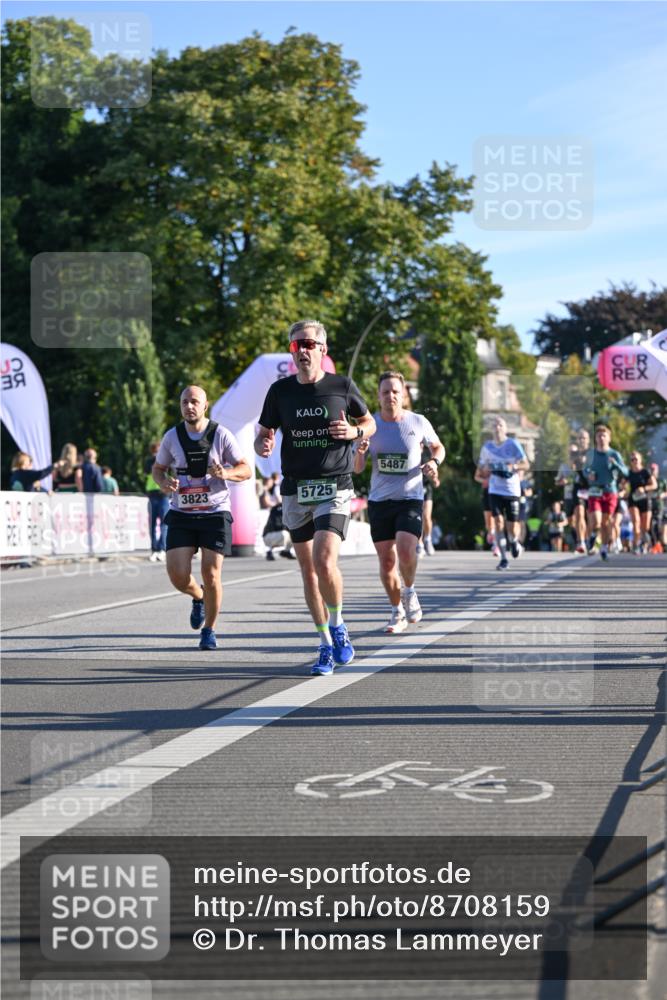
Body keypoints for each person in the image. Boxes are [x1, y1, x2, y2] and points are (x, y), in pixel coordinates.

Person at [254, 319, 376, 675]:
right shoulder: (280, 392)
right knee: (308, 572)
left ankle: (338, 626)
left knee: (324, 561)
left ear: (323, 350)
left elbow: (369, 423)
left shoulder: (341, 385)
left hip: (335, 485)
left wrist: (354, 430)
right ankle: (323, 642)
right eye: (296, 345)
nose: (302, 350)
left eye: (308, 344)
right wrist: (263, 443)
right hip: (296, 488)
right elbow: (264, 433)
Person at [152, 385, 251, 650]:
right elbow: (158, 469)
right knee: (177, 575)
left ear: (205, 405)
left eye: (194, 401)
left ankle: (209, 629)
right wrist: (164, 482)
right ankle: (198, 597)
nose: (189, 406)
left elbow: (246, 469)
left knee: (211, 574)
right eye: (184, 402)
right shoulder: (172, 437)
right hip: (182, 513)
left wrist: (226, 474)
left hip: (215, 513)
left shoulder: (221, 435)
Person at [353, 370, 444, 633]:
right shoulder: (370, 425)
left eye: (395, 391)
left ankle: (410, 590)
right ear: (378, 396)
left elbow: (438, 447)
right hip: (380, 501)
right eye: (385, 392)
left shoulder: (418, 422)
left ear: (403, 393)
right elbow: (358, 469)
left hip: (410, 498)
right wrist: (360, 453)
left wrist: (433, 462)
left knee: (406, 550)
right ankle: (396, 611)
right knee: (387, 562)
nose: (390, 396)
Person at [475, 417, 529, 570]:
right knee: (498, 522)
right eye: (495, 425)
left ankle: (514, 541)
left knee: (512, 526)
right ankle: (504, 559)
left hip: (512, 489)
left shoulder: (513, 444)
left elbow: (526, 463)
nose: (497, 427)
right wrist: (484, 470)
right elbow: (481, 468)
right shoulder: (487, 447)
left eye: (500, 424)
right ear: (491, 430)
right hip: (494, 489)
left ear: (505, 429)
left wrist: (514, 465)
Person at [582, 424, 628, 561]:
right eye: (599, 436)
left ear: (609, 438)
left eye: (604, 435)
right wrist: (588, 474)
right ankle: (592, 538)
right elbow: (585, 469)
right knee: (596, 521)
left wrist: (615, 465)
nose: (601, 438)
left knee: (606, 522)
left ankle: (603, 547)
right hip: (595, 490)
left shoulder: (614, 454)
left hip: (610, 491)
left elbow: (625, 472)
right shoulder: (591, 454)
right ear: (595, 439)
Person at [625, 451, 657, 554]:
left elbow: (654, 485)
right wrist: (623, 489)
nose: (634, 461)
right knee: (636, 521)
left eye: (636, 459)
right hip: (633, 499)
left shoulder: (645, 472)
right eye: (632, 459)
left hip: (645, 499)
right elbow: (623, 484)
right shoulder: (628, 473)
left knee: (645, 526)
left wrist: (644, 488)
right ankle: (636, 544)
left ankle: (644, 542)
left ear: (640, 460)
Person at [144, 441, 169, 562]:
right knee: (154, 523)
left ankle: (161, 549)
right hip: (153, 494)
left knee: (164, 523)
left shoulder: (167, 460)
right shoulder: (149, 461)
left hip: (163, 494)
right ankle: (155, 549)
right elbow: (148, 472)